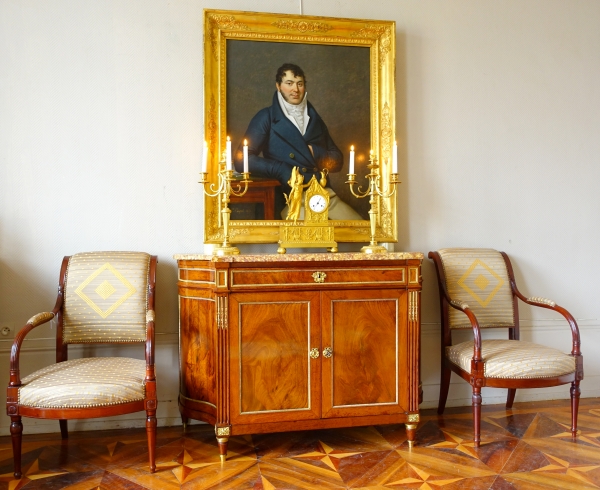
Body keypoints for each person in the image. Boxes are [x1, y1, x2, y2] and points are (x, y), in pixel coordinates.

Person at [234, 63, 362, 220]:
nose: (295, 89)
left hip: (324, 193)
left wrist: (315, 152)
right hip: (290, 197)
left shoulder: (315, 119)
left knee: (359, 226)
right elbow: (242, 160)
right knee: (306, 239)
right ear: (278, 86)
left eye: (299, 84)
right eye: (289, 83)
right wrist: (281, 169)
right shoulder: (266, 117)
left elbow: (338, 160)